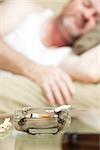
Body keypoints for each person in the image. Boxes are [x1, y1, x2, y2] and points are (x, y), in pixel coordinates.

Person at [0, 0, 100, 130]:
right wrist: (34, 70)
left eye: (96, 18)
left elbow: (90, 72)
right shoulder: (27, 9)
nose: (87, 16)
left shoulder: (68, 57)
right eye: (86, 5)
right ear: (70, 2)